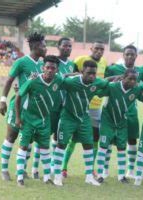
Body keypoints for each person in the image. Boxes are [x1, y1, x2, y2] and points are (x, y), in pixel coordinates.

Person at [0, 32, 46, 181]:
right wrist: (2, 100)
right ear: (36, 47)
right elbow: (9, 81)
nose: (46, 49)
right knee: (11, 137)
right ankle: (4, 170)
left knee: (28, 140)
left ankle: (23, 169)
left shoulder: (42, 64)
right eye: (44, 46)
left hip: (33, 109)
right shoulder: (21, 62)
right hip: (18, 106)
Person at [53, 60, 109, 186]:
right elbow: (57, 81)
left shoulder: (97, 82)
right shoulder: (72, 82)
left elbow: (107, 83)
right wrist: (66, 75)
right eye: (89, 73)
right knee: (61, 145)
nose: (92, 76)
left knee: (88, 145)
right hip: (67, 117)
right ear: (82, 72)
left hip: (84, 117)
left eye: (94, 74)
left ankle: (89, 176)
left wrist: (119, 78)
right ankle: (57, 176)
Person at [31, 37, 77, 179]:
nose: (67, 48)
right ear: (58, 47)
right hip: (48, 105)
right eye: (64, 46)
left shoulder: (72, 64)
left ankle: (52, 168)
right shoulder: (51, 61)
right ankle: (34, 168)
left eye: (69, 46)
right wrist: (69, 75)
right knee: (42, 136)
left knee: (57, 137)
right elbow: (45, 77)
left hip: (63, 107)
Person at [61, 41, 108, 177]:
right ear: (91, 48)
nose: (99, 51)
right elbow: (74, 76)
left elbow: (103, 82)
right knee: (73, 139)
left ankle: (90, 168)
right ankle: (63, 167)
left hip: (96, 106)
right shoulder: (81, 60)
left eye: (101, 49)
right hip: (78, 104)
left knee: (94, 139)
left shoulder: (104, 62)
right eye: (97, 48)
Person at [15, 55, 62, 187]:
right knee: (24, 146)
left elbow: (67, 78)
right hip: (29, 119)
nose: (50, 70)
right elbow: (18, 96)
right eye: (47, 67)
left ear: (57, 70)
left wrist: (76, 74)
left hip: (44, 121)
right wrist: (18, 118)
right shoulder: (33, 80)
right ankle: (20, 177)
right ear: (43, 68)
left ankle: (47, 178)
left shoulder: (58, 80)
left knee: (45, 148)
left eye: (53, 68)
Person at [96, 68, 143, 184]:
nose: (133, 82)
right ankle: (100, 174)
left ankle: (121, 176)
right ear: (123, 78)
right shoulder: (112, 87)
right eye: (130, 79)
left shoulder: (136, 90)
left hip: (122, 123)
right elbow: (98, 92)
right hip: (107, 122)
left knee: (121, 148)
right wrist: (107, 80)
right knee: (103, 147)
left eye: (135, 79)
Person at [103, 45, 143, 179]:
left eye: (132, 54)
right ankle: (105, 170)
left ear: (136, 56)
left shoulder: (141, 71)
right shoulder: (113, 68)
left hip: (131, 111)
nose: (130, 57)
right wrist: (117, 77)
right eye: (127, 54)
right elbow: (104, 81)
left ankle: (131, 170)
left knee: (132, 140)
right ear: (123, 55)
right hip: (113, 111)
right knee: (108, 140)